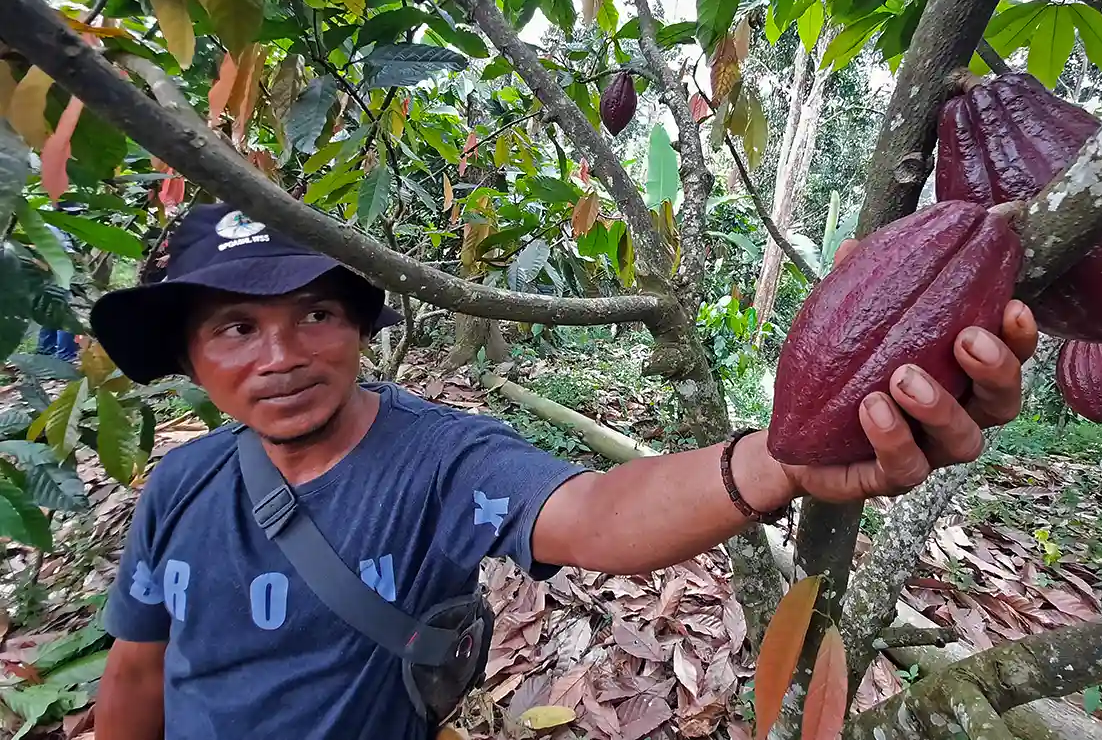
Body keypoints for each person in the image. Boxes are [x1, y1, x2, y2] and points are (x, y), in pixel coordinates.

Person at [89, 202, 1038, 740]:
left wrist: (781, 459)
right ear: (188, 355)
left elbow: (594, 513)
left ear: (360, 328)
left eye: (317, 315)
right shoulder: (181, 486)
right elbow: (137, 675)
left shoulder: (438, 456)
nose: (281, 354)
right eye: (235, 326)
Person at [35, 223, 80, 364]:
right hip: (57, 272)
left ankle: (45, 352)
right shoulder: (50, 228)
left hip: (43, 275)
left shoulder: (41, 226)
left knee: (50, 310)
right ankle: (64, 355)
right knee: (65, 314)